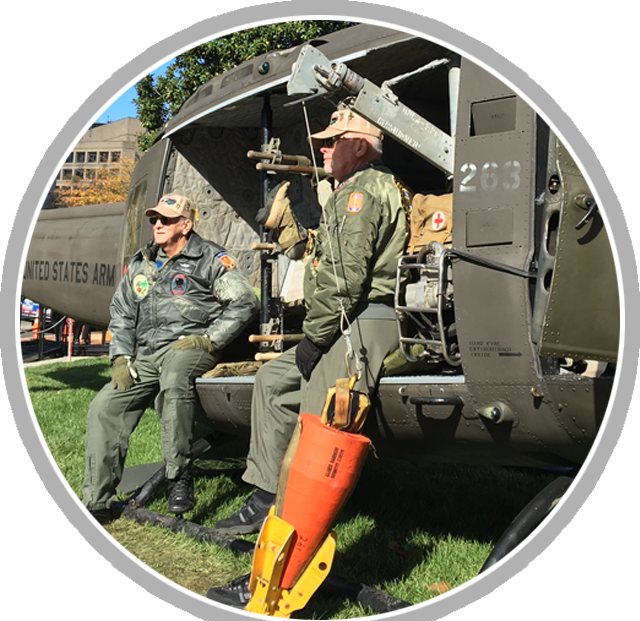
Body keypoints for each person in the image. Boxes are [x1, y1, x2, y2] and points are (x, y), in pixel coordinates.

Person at [213, 108, 408, 540]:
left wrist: (314, 342)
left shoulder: (363, 194)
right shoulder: (350, 190)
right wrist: (297, 239)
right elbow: (330, 260)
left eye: (333, 140)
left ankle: (294, 530)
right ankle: (266, 495)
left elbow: (346, 281)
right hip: (343, 315)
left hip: (367, 315)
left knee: (317, 410)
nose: (323, 146)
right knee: (272, 381)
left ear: (358, 146)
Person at [54, 194, 258, 533]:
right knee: (104, 406)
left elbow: (244, 301)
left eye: (166, 219)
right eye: (154, 220)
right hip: (147, 354)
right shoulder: (143, 263)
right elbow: (120, 313)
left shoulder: (210, 257)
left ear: (186, 225)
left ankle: (180, 476)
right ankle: (97, 504)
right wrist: (120, 356)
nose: (157, 225)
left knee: (176, 378)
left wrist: (210, 338)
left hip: (189, 346)